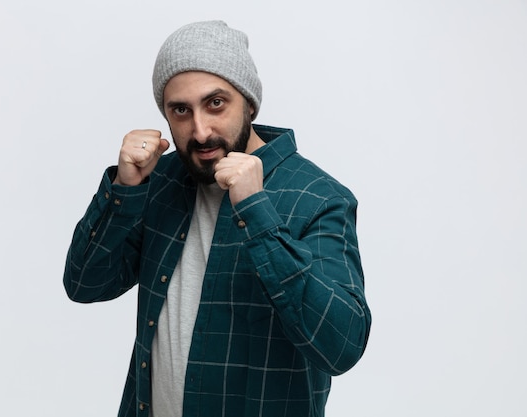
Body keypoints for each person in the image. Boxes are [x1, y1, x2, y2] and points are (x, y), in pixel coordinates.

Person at [63, 20, 371, 417]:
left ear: (249, 103)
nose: (201, 130)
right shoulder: (160, 180)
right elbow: (86, 284)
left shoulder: (317, 196)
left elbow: (341, 347)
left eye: (216, 103)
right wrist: (126, 189)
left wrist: (258, 211)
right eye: (181, 110)